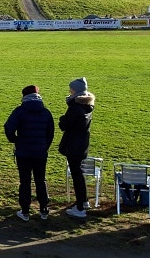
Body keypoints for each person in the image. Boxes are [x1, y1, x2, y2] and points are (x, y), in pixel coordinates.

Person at [4, 85, 55, 221]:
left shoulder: (20, 111)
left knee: (25, 182)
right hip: (40, 152)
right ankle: (44, 209)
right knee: (41, 180)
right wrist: (44, 146)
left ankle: (25, 211)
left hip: (23, 152)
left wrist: (15, 140)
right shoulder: (46, 112)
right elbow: (50, 133)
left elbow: (8, 128)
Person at [59, 77, 95, 218]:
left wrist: (62, 118)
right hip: (82, 144)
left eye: (71, 88)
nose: (69, 90)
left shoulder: (75, 107)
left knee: (76, 175)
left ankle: (80, 208)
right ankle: (84, 201)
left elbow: (64, 125)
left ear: (75, 90)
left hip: (73, 145)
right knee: (79, 174)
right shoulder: (87, 105)